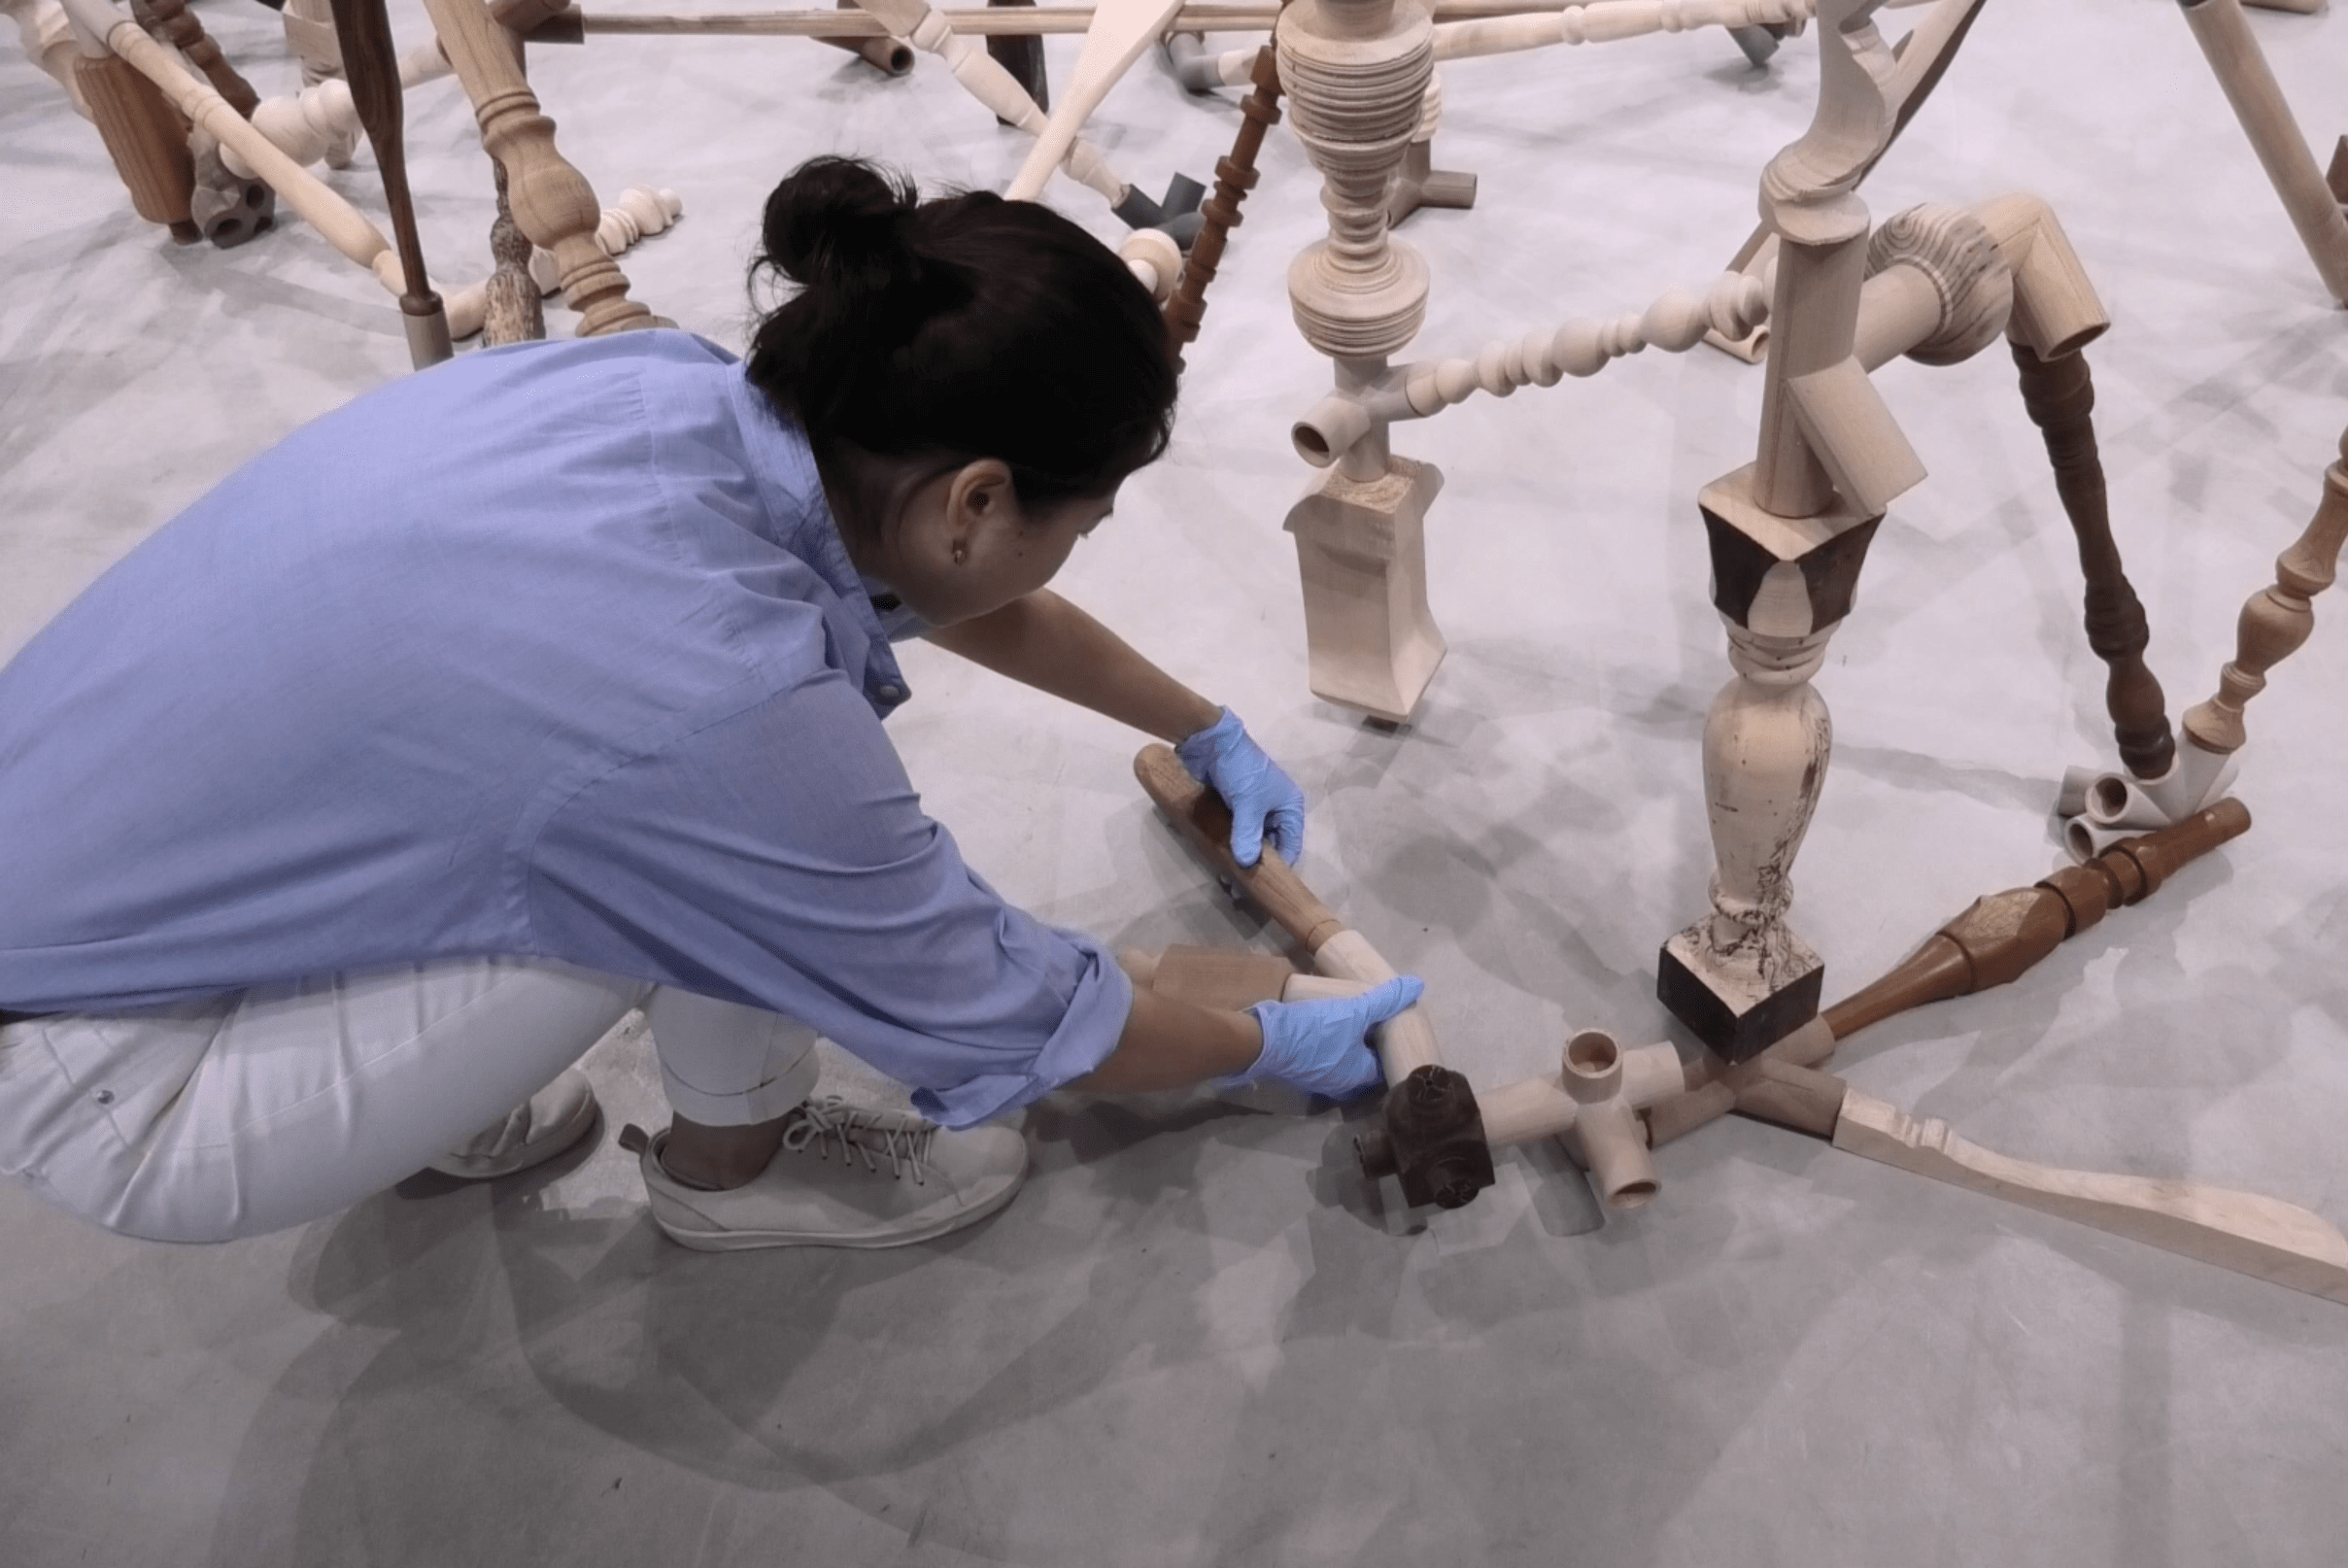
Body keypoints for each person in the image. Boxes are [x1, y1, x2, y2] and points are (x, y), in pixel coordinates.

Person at [0, 157, 1419, 1252]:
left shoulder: (663, 392)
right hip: (120, 1078)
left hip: (85, 876)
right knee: (683, 876)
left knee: (576, 794)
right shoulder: (727, 710)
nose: (1078, 546)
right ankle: (735, 1168)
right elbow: (1012, 1013)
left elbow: (940, 585)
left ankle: (404, 1095)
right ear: (979, 498)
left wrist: (1193, 716)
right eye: (1087, 521)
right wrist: (1262, 1039)